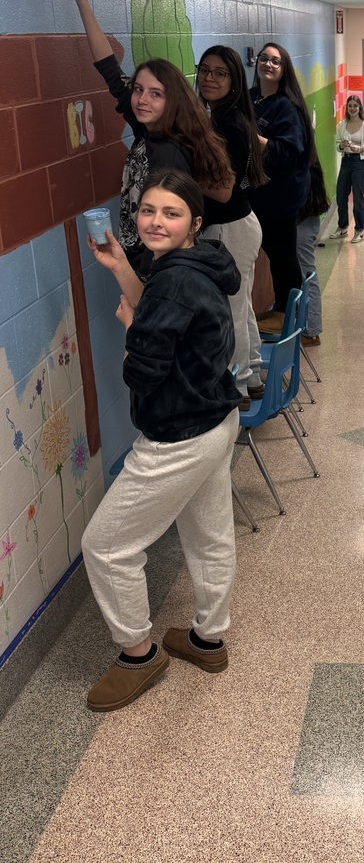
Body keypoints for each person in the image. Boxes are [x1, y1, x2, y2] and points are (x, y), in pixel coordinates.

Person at [81, 169, 242, 712]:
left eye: (170, 213)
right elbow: (167, 314)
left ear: (193, 222)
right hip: (218, 418)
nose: (154, 221)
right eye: (147, 210)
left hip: (178, 434)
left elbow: (144, 370)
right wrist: (124, 270)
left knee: (106, 546)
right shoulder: (199, 264)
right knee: (210, 534)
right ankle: (208, 639)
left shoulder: (173, 278)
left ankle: (138, 654)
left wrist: (130, 331)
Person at [72, 0, 234, 276]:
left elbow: (168, 222)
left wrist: (146, 274)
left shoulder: (169, 152)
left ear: (171, 101)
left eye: (155, 94)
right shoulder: (149, 129)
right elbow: (109, 69)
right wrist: (83, 1)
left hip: (157, 266)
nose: (142, 99)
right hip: (144, 261)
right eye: (138, 90)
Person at [196, 45, 268, 402]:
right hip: (241, 224)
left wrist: (180, 179)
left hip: (229, 228)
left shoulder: (228, 125)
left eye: (219, 73)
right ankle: (252, 375)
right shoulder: (228, 118)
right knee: (241, 307)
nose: (209, 78)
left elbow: (222, 192)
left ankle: (238, 387)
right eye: (204, 70)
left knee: (232, 312)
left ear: (235, 80)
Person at [249, 42, 313, 333]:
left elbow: (288, 152)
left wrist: (252, 138)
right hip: (258, 195)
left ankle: (288, 314)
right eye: (264, 59)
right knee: (274, 255)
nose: (268, 64)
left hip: (282, 198)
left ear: (284, 69)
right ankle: (280, 311)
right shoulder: (251, 99)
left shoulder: (287, 105)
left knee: (283, 256)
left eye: (276, 61)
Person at [329, 95, 364, 243]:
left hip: (359, 164)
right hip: (346, 162)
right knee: (341, 196)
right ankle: (343, 227)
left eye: (355, 106)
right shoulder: (341, 125)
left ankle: (359, 230)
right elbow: (338, 145)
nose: (352, 108)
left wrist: (360, 149)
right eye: (350, 106)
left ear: (359, 108)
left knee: (358, 198)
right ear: (347, 108)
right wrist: (341, 146)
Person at [297, 153, 330, 345]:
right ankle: (309, 328)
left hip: (303, 223)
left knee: (306, 274)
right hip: (308, 220)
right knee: (305, 273)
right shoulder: (308, 157)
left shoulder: (300, 163)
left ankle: (311, 331)